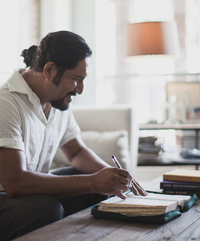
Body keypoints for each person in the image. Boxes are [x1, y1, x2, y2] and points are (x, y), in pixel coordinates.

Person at [0, 31, 146, 241]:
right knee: (45, 209)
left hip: (28, 191)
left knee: (97, 190)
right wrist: (92, 181)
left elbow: (76, 151)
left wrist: (110, 175)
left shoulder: (58, 102)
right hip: (6, 194)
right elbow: (15, 183)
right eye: (76, 79)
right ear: (49, 70)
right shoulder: (6, 103)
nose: (81, 89)